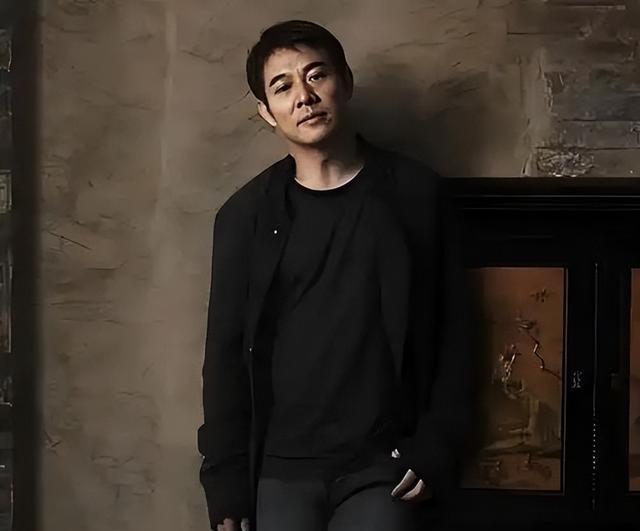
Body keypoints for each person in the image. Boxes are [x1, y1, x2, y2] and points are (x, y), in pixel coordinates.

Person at [197, 19, 476, 531]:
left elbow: (457, 334)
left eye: (316, 75)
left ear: (344, 81)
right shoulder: (244, 217)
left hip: (383, 465)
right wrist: (226, 483)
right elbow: (224, 360)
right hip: (280, 469)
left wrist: (437, 447)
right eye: (283, 87)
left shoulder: (415, 194)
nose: (304, 97)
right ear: (267, 112)